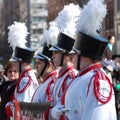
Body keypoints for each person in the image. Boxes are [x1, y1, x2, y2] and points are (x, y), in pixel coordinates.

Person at [50, 0, 117, 119]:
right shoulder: (83, 77)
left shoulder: (97, 81)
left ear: (84, 55)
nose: (72, 57)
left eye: (75, 53)